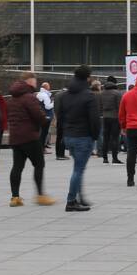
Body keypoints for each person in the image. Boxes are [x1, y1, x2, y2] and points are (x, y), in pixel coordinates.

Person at [6, 73, 55, 207]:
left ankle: (15, 197)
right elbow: (38, 115)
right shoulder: (29, 97)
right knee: (39, 164)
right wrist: (45, 120)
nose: (36, 83)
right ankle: (40, 196)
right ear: (30, 81)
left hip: (15, 138)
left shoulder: (12, 98)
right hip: (29, 137)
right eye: (35, 80)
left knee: (17, 167)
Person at [55, 66, 99, 211]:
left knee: (77, 168)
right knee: (78, 170)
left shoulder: (65, 95)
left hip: (69, 136)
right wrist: (95, 136)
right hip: (83, 136)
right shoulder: (89, 95)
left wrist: (63, 135)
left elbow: (60, 116)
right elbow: (94, 119)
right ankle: (71, 201)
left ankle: (80, 198)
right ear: (88, 78)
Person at [98, 76, 123, 165]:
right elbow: (120, 107)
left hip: (105, 118)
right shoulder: (117, 93)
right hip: (115, 118)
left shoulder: (101, 93)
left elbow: (100, 106)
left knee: (106, 138)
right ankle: (114, 158)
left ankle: (105, 158)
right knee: (115, 138)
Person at [36, 82, 54, 151]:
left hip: (41, 115)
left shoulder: (39, 94)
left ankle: (39, 148)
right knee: (44, 133)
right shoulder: (45, 95)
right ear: (46, 87)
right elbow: (48, 106)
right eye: (49, 86)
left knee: (41, 132)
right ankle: (42, 148)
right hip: (46, 116)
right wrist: (53, 103)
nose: (50, 87)